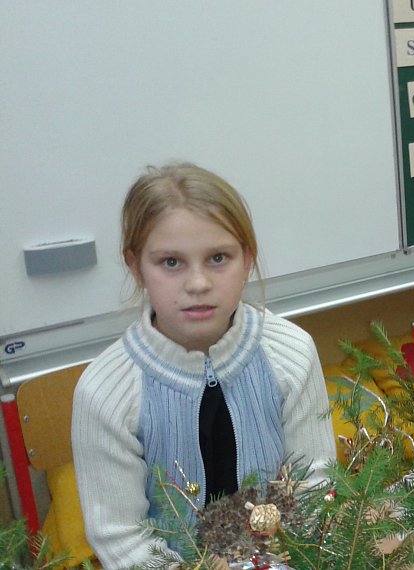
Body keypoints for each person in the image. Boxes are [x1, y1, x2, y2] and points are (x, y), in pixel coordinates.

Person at [71, 163, 336, 568]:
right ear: (135, 267)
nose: (198, 283)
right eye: (171, 262)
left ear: (247, 259)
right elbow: (122, 539)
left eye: (218, 258)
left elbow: (314, 490)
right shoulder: (105, 392)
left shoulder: (291, 354)